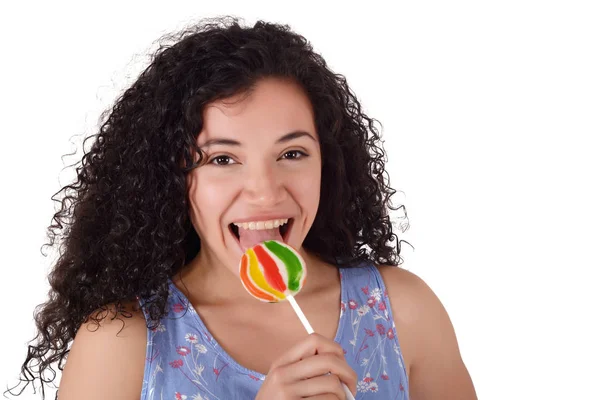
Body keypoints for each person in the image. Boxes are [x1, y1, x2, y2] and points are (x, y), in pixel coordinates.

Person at [7, 16, 477, 400]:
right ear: (174, 176)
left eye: (291, 154)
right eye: (222, 159)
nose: (264, 192)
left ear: (326, 164)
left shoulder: (404, 311)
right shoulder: (120, 344)